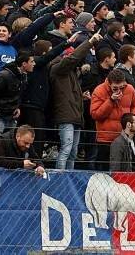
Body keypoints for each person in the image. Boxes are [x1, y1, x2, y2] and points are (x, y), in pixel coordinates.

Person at [50, 32, 102, 169]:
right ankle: (59, 179)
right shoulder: (57, 68)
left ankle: (69, 180)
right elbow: (73, 58)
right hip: (66, 116)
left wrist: (81, 96)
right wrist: (89, 42)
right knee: (66, 149)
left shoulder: (72, 73)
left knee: (73, 152)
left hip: (75, 116)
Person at [91, 69, 135, 171]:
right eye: (115, 88)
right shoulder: (99, 91)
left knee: (127, 168)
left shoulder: (130, 89)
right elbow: (95, 114)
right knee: (104, 171)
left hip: (126, 137)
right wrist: (110, 101)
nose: (119, 91)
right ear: (109, 84)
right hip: (106, 139)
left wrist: (132, 119)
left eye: (121, 87)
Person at [0, 51, 35, 149]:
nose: (34, 64)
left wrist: (17, 107)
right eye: (32, 61)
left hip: (12, 114)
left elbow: (19, 94)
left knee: (9, 144)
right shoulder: (4, 75)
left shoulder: (23, 76)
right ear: (24, 64)